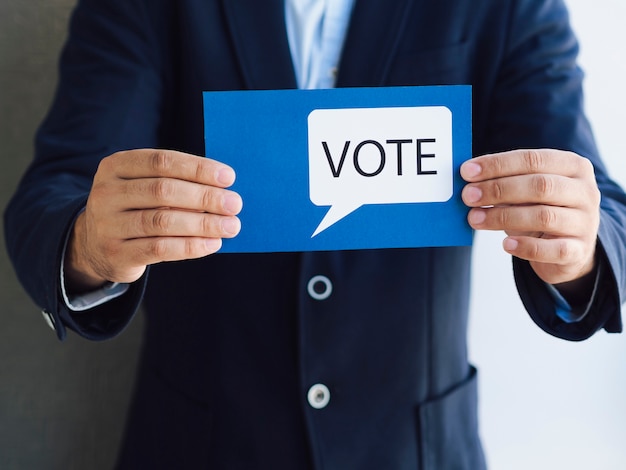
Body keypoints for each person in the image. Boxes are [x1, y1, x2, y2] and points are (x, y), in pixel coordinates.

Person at [4, 0, 626, 468]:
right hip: (200, 443)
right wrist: (87, 244)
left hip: (416, 448)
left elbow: (607, 209)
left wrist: (581, 247)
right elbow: (53, 193)